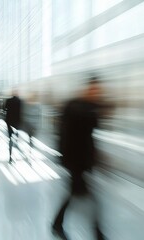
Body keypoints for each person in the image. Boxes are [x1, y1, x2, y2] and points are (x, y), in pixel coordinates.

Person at [51, 78, 106, 240]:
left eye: (98, 91)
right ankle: (97, 233)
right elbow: (66, 135)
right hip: (75, 161)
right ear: (87, 89)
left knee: (73, 194)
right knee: (90, 198)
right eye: (94, 90)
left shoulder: (89, 108)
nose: (96, 94)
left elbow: (93, 129)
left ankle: (57, 224)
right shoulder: (76, 107)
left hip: (81, 161)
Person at [22, 92, 41, 163]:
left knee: (30, 138)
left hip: (29, 124)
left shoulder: (27, 104)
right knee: (31, 139)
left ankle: (30, 151)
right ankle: (30, 151)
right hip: (33, 125)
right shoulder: (38, 105)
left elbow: (24, 115)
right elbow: (38, 115)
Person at [4, 90, 22, 164]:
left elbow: (5, 109)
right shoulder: (20, 101)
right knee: (16, 137)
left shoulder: (8, 100)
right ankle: (15, 150)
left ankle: (10, 156)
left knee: (10, 138)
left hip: (9, 122)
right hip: (17, 122)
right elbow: (21, 112)